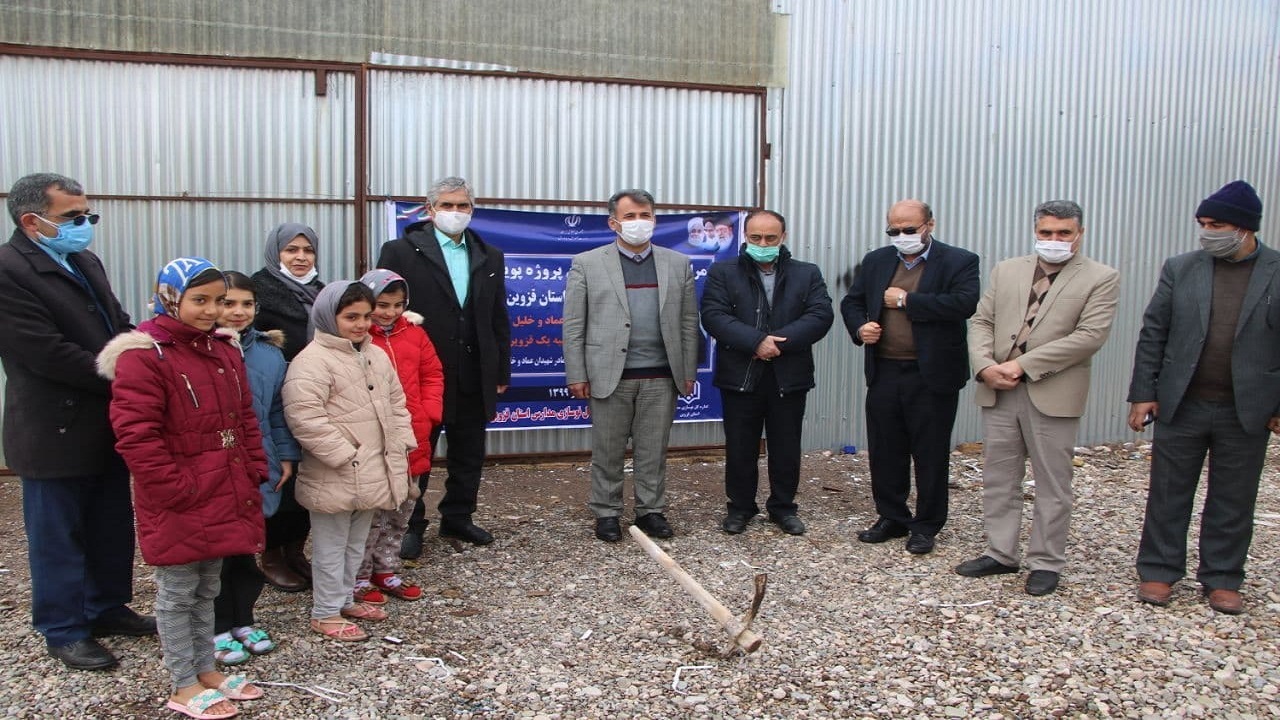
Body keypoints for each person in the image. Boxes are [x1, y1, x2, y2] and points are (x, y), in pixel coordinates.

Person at [98, 257, 267, 719]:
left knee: (208, 585)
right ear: (170, 298)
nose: (212, 310)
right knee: (176, 592)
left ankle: (206, 669)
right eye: (200, 300)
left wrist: (254, 467)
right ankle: (183, 682)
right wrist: (175, 487)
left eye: (220, 300)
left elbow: (244, 418)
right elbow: (136, 434)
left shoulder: (224, 351)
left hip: (224, 487)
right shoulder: (143, 354)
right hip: (179, 495)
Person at [0, 173, 154, 672]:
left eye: (88, 216)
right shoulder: (8, 270)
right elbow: (45, 352)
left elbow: (118, 322)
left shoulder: (84, 260)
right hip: (54, 425)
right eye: (72, 218)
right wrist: (124, 375)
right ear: (32, 221)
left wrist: (144, 352)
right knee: (59, 532)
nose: (84, 225)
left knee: (110, 522)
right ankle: (63, 627)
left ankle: (105, 605)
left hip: (105, 419)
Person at [1128, 180, 1280, 615]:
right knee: (1168, 491)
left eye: (1217, 224)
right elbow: (1154, 331)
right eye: (1202, 224)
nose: (1207, 232)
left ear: (1246, 228)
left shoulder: (1275, 270)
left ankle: (1223, 577)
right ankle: (1158, 569)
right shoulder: (1182, 268)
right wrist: (1143, 393)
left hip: (1246, 409)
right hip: (1183, 402)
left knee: (1234, 497)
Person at [956, 201, 1120, 596]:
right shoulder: (1008, 270)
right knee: (999, 476)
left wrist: (1021, 365)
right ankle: (1001, 552)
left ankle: (1046, 561)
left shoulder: (1101, 277)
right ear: (1036, 231)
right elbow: (982, 321)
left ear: (1079, 233)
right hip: (998, 388)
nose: (1054, 240)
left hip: (1052, 391)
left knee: (1052, 482)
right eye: (1046, 233)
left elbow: (1088, 336)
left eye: (1063, 233)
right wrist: (983, 365)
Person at [377, 176, 510, 549]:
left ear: (472, 210)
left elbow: (497, 317)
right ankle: (410, 525)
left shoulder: (489, 255)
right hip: (419, 373)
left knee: (468, 452)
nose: (455, 212)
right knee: (416, 450)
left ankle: (458, 517)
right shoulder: (400, 251)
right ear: (430, 209)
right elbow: (383, 312)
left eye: (462, 205)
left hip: (473, 370)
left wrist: (500, 370)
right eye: (447, 205)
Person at [840, 199, 979, 555]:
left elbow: (964, 304)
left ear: (929, 224)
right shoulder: (877, 261)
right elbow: (852, 302)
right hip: (885, 369)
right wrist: (860, 328)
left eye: (909, 229)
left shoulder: (959, 261)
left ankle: (927, 524)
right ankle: (892, 516)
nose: (901, 236)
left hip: (931, 375)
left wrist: (907, 301)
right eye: (894, 230)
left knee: (930, 452)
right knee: (886, 449)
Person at [562, 188, 700, 542]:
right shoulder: (588, 263)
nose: (638, 223)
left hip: (661, 376)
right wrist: (576, 373)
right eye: (630, 216)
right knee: (607, 451)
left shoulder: (677, 263)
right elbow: (574, 324)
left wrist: (687, 371)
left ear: (654, 220)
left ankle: (650, 511)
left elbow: (687, 323)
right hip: (609, 376)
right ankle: (607, 513)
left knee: (653, 450)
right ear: (614, 223)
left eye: (645, 216)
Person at [283, 281, 417, 641]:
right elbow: (305, 417)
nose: (360, 324)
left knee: (355, 544)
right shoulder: (312, 361)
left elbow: (397, 404)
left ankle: (344, 599)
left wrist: (401, 444)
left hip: (373, 467)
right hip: (336, 472)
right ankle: (324, 612)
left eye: (365, 316)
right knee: (330, 546)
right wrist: (345, 456)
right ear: (329, 316)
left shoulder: (375, 355)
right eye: (350, 317)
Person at [700, 210, 834, 535]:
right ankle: (740, 508)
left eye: (770, 238)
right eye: (756, 237)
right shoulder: (723, 272)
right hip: (740, 375)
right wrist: (756, 341)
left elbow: (820, 315)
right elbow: (713, 315)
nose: (763, 244)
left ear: (783, 238)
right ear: (745, 236)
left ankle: (783, 508)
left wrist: (778, 345)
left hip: (789, 375)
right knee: (740, 447)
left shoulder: (807, 273)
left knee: (786, 446)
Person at [210, 271, 301, 664]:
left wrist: (284, 454)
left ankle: (243, 618)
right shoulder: (202, 350)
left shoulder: (268, 353)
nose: (238, 312)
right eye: (228, 303)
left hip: (258, 463)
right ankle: (214, 627)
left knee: (248, 549)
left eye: (247, 304)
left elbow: (278, 411)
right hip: (214, 466)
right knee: (216, 552)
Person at [352, 269, 444, 604]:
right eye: (382, 304)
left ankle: (386, 568)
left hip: (414, 435)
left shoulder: (415, 334)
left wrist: (431, 411)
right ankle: (358, 576)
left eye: (397, 304)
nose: (389, 312)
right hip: (376, 438)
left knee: (401, 510)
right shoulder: (358, 336)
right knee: (372, 513)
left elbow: (432, 373)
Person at [252, 223, 324, 591]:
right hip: (276, 404)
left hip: (316, 402)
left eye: (307, 250)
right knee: (281, 478)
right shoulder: (258, 292)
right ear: (275, 252)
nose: (300, 257)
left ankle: (297, 551)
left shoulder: (322, 293)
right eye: (291, 250)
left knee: (310, 481)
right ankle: (272, 555)